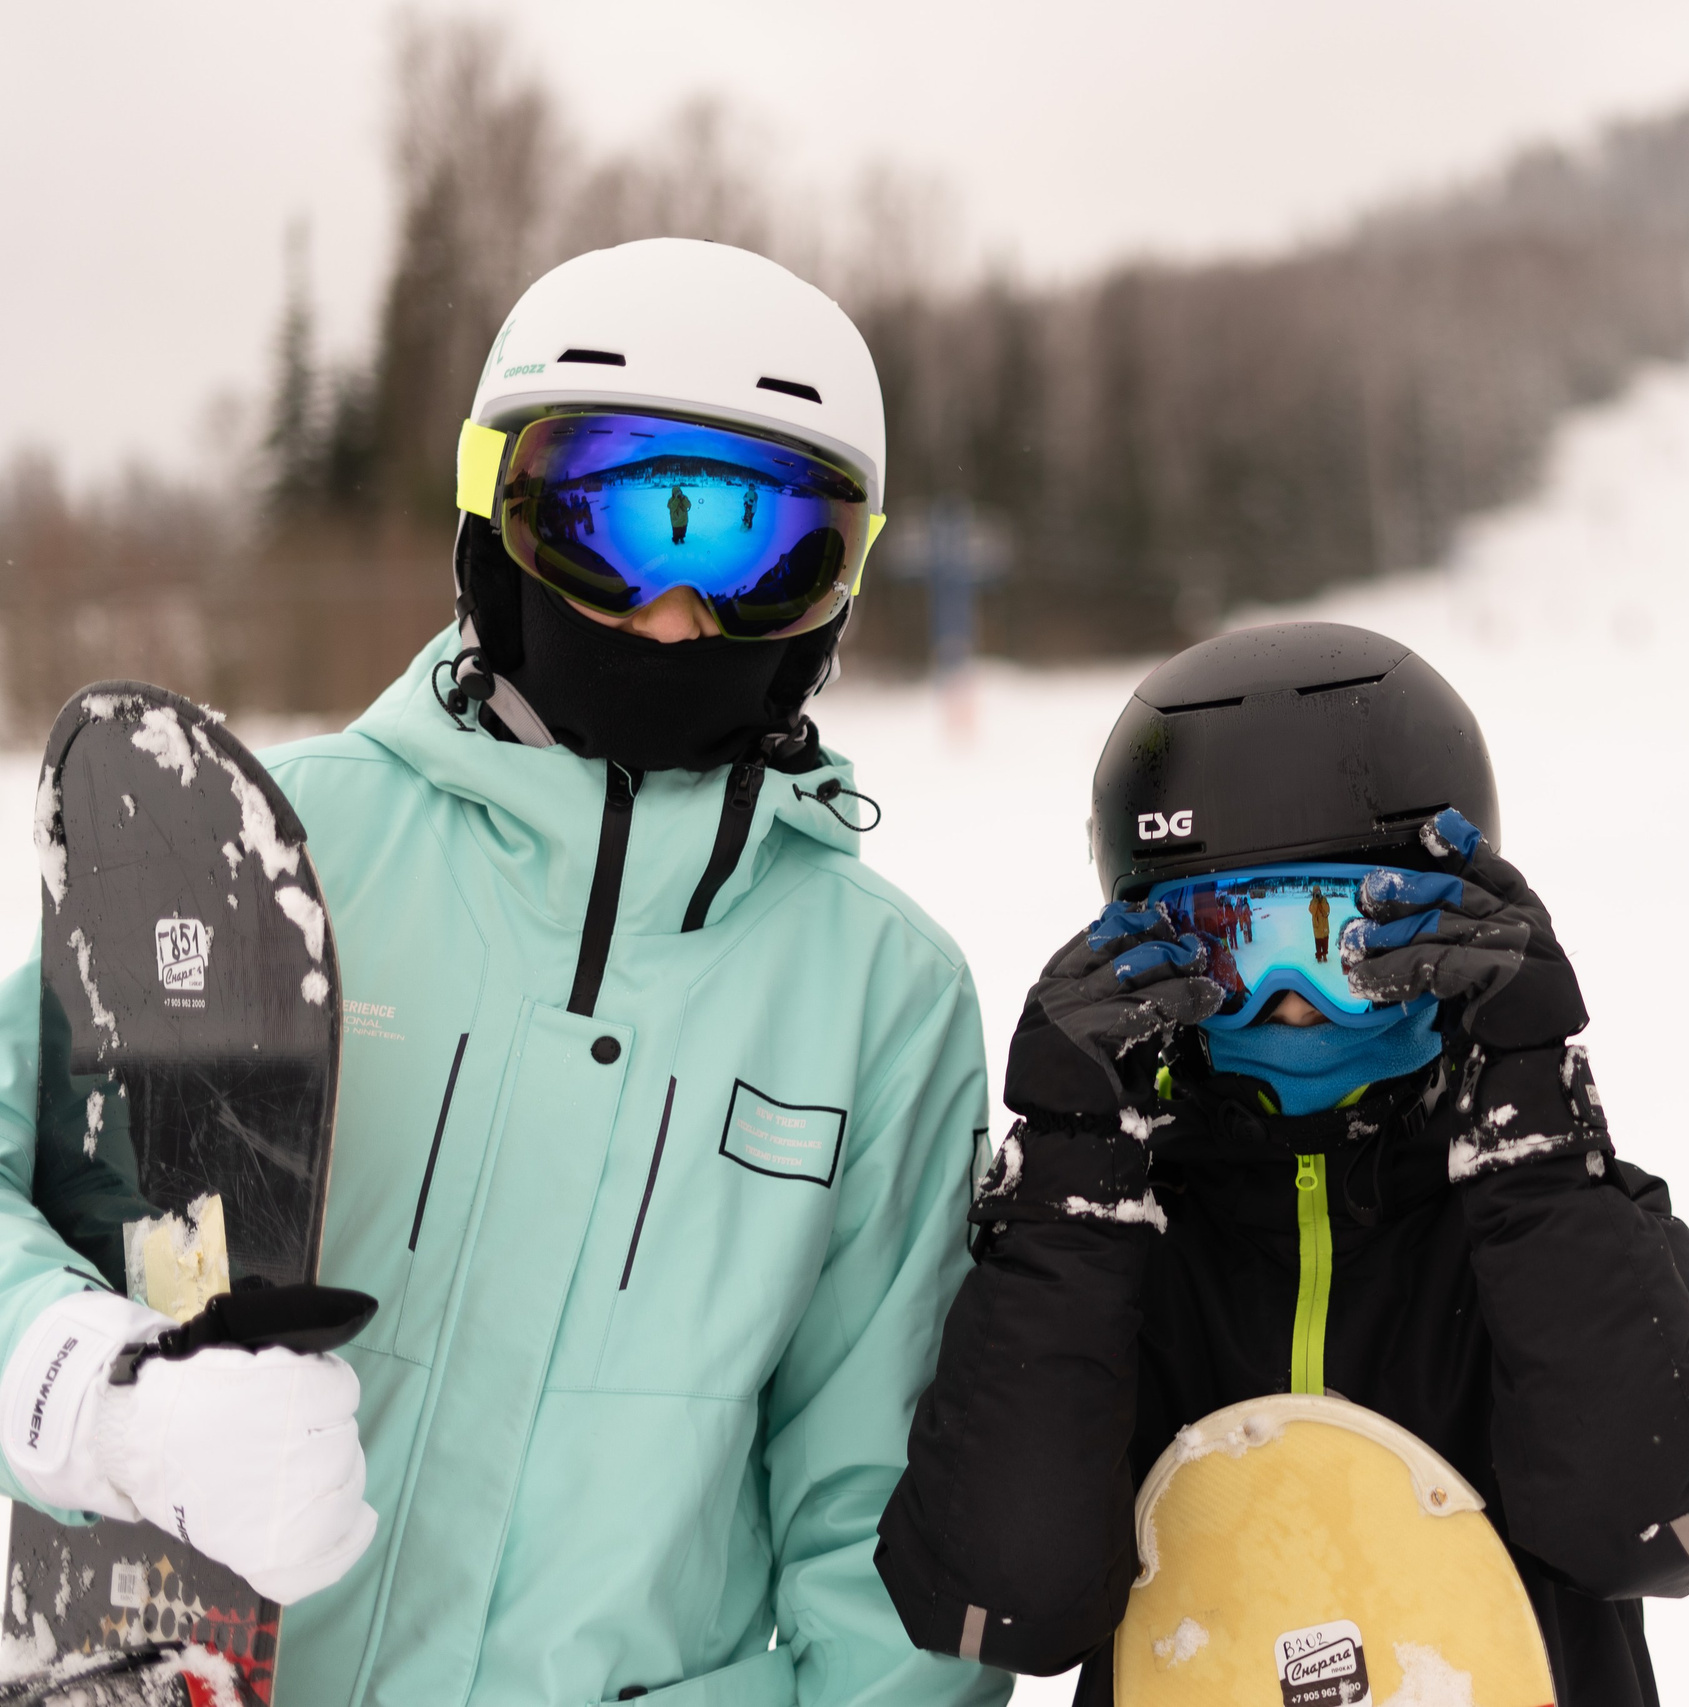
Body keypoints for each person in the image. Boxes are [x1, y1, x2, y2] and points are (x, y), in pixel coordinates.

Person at [0, 239, 1004, 1707]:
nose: (675, 611)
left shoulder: (881, 997)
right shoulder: (266, 850)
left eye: (756, 547)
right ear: (496, 523)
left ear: (835, 586)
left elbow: (878, 1549)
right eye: (612, 525)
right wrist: (87, 1389)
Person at [876, 621, 1689, 1705]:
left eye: (1350, 937)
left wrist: (1529, 1128)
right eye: (1228, 943)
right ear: (1139, 950)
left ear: (1459, 926)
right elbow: (997, 1603)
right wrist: (1070, 1182)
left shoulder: (1561, 1215)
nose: (1292, 997)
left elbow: (1661, 1527)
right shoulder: (1110, 1251)